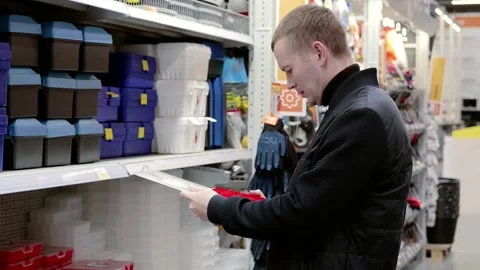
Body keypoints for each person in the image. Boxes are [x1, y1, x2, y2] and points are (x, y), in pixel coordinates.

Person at [180, 4, 412, 270]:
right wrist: (266, 206)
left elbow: (300, 214)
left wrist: (218, 208)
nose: (288, 83)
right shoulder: (357, 107)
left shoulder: (363, 117)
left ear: (318, 53)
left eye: (289, 69)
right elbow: (322, 205)